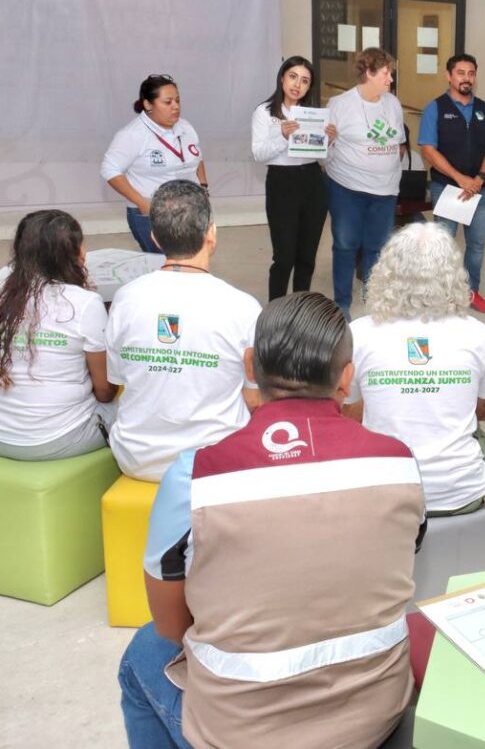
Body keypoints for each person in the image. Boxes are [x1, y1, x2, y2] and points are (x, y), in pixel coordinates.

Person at [118, 292, 425, 749]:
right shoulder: (400, 464)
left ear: (249, 365)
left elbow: (170, 625)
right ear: (347, 378)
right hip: (375, 717)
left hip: (238, 730)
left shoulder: (193, 478)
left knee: (144, 650)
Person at [104, 180, 261, 482]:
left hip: (136, 458)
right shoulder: (243, 307)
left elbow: (119, 379)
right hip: (215, 459)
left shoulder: (125, 299)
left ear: (154, 238)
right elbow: (253, 400)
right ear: (211, 233)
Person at [344, 223, 485, 516]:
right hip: (460, 494)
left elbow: (350, 414)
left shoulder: (359, 333)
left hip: (384, 496)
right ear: (453, 273)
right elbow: (483, 410)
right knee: (477, 434)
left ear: (386, 271)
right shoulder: (477, 334)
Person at [0, 210, 115, 460]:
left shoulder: (3, 290)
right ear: (75, 252)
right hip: (59, 437)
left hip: (3, 436)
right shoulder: (85, 303)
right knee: (142, 405)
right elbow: (105, 391)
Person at [418, 54, 485, 314]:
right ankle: (440, 295)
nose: (467, 78)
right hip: (446, 188)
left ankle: (470, 291)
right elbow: (428, 149)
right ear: (449, 76)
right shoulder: (435, 108)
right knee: (443, 245)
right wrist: (459, 178)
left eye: (471, 73)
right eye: (461, 72)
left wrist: (479, 179)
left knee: (476, 246)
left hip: (479, 191)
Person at [325, 47, 404, 316]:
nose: (390, 79)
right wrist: (327, 141)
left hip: (386, 191)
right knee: (345, 245)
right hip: (347, 189)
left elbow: (399, 142)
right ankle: (342, 304)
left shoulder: (393, 103)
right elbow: (325, 148)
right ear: (369, 72)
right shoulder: (339, 104)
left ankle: (373, 301)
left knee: (377, 247)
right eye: (386, 73)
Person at [251, 56, 334, 301]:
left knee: (307, 257)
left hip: (312, 181)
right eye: (293, 77)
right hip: (281, 182)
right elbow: (258, 154)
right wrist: (282, 136)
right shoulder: (265, 112)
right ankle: (275, 309)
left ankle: (300, 308)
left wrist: (329, 142)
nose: (298, 84)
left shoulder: (313, 115)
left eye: (305, 81)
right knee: (284, 257)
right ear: (282, 78)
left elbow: (324, 160)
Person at [102, 75, 208, 253]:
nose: (176, 106)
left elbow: (197, 157)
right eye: (168, 102)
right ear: (148, 104)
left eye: (177, 100)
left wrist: (203, 186)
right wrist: (142, 203)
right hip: (153, 213)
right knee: (162, 263)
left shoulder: (186, 127)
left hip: (189, 209)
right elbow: (109, 170)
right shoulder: (132, 134)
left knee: (190, 260)